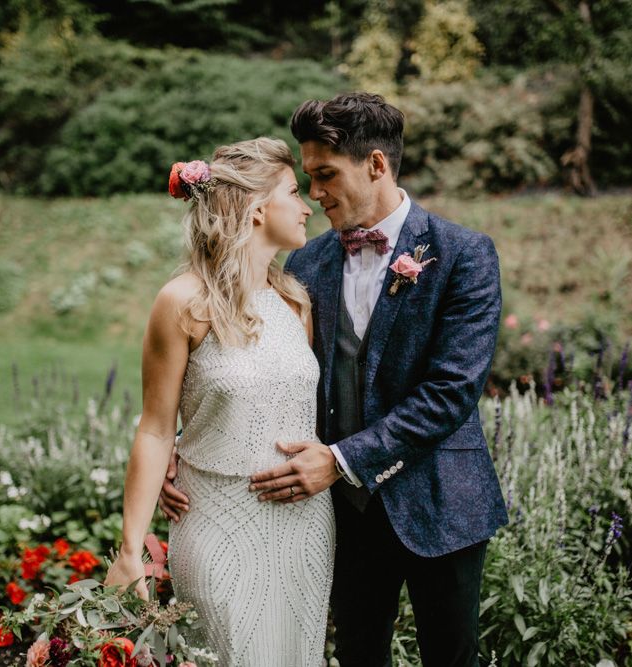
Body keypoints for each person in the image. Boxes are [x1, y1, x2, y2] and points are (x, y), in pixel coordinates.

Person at [161, 93, 508, 667]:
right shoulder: (306, 263)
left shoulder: (463, 255)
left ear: (376, 164)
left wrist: (342, 458)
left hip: (441, 503)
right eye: (308, 179)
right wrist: (188, 446)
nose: (315, 194)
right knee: (356, 654)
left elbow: (451, 392)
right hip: (339, 513)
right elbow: (266, 372)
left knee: (452, 657)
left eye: (326, 175)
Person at [105, 137, 335, 667]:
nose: (307, 206)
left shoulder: (295, 302)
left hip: (305, 526)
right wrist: (129, 548)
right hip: (215, 520)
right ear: (257, 211)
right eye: (294, 192)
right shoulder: (183, 302)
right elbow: (156, 428)